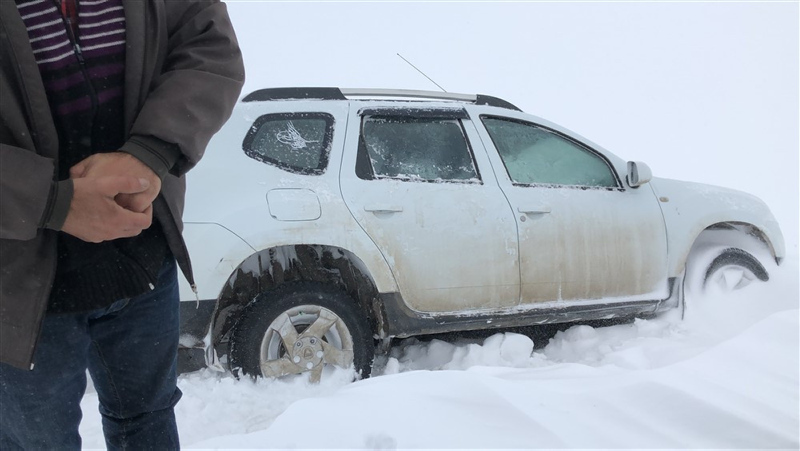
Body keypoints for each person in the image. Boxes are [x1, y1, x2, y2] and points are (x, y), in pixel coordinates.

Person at [0, 0, 244, 448]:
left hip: (142, 257)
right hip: (15, 288)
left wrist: (148, 154)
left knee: (148, 421)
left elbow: (208, 44)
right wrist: (50, 200)